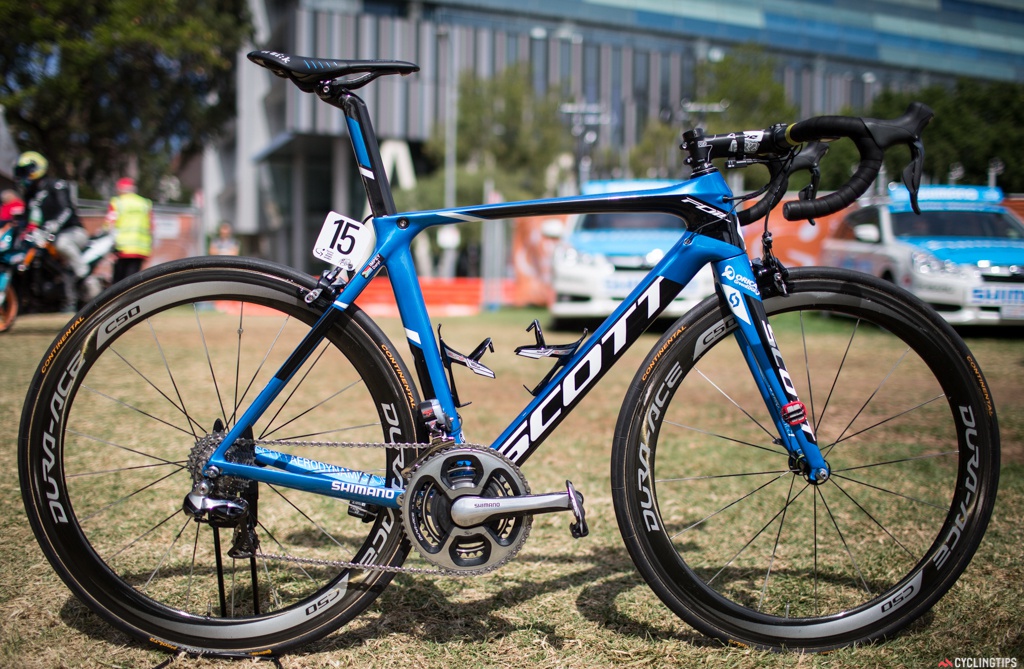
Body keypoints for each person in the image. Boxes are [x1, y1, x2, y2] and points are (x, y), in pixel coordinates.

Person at [14, 151, 97, 311]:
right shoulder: (30, 195)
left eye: (25, 171)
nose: (23, 175)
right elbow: (26, 218)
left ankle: (83, 274)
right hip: (46, 237)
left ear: (36, 169)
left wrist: (52, 226)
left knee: (62, 243)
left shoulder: (56, 185)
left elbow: (66, 210)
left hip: (72, 232)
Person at [106, 177, 153, 282]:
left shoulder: (117, 202)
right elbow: (151, 227)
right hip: (140, 248)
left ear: (120, 189)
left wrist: (110, 247)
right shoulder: (145, 203)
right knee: (133, 282)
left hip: (121, 248)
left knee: (118, 283)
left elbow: (110, 225)